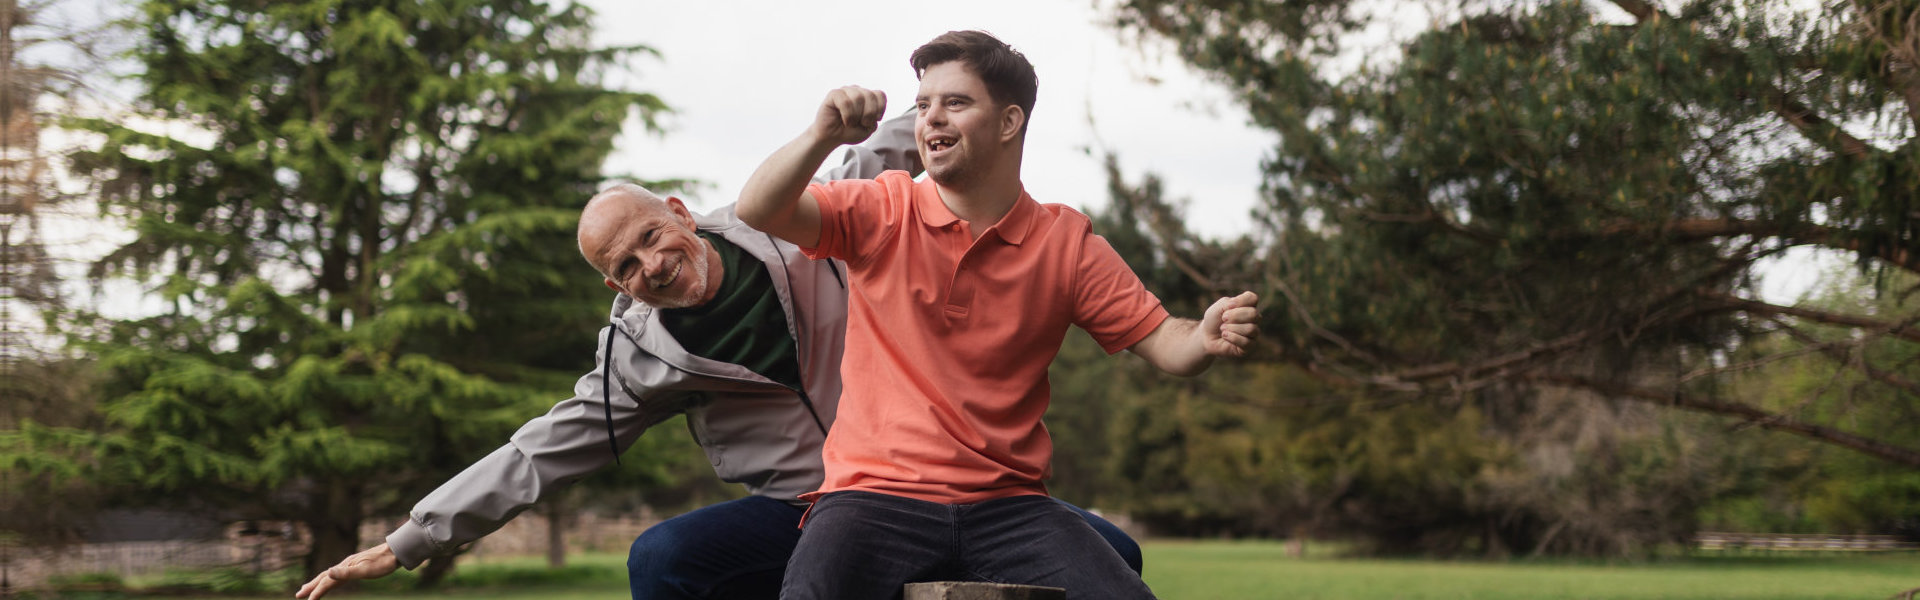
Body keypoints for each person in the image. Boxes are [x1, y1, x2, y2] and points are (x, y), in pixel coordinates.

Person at [292, 113, 1143, 600]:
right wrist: (407, 540)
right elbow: (537, 454)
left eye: (651, 240)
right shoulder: (642, 355)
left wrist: (917, 101)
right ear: (612, 286)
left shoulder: (791, 225)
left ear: (679, 213)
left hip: (929, 481)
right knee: (660, 560)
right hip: (801, 507)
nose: (650, 268)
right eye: (623, 268)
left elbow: (882, 147)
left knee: (1115, 553)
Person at [735, 31, 1261, 600]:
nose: (931, 118)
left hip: (1010, 508)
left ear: (1009, 122)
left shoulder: (1067, 243)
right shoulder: (882, 208)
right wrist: (821, 137)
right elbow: (758, 208)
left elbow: (1166, 342)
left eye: (955, 103)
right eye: (924, 104)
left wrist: (1203, 337)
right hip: (873, 499)